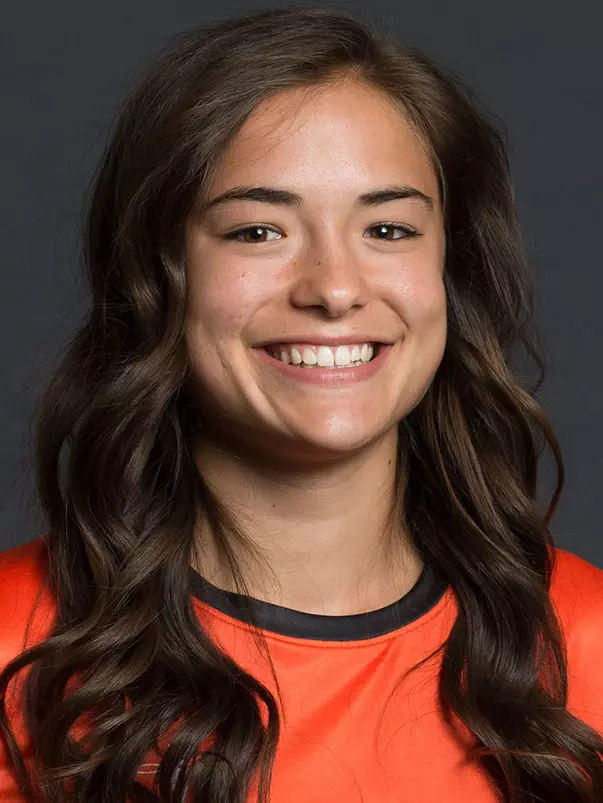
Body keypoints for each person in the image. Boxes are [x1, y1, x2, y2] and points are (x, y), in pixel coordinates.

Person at [0, 6, 602, 802]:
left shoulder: (584, 638)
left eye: (387, 228)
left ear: (450, 273)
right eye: (257, 232)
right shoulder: (17, 646)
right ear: (154, 276)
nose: (335, 288)